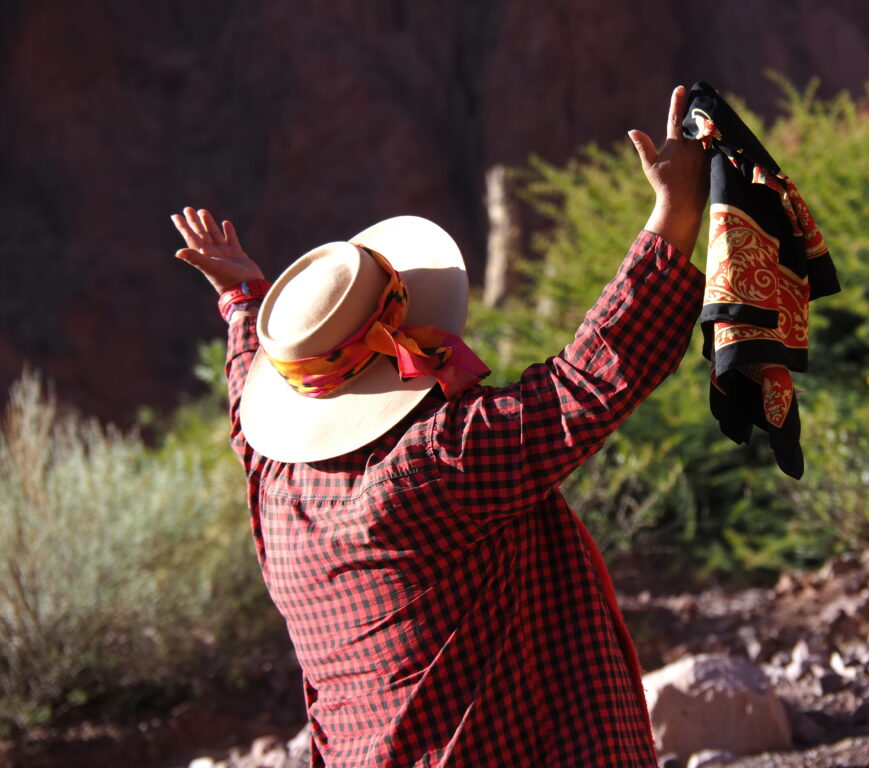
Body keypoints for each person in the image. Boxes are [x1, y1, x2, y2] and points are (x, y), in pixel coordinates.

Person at [172, 85, 709, 768]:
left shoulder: (276, 491)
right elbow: (586, 382)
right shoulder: (433, 467)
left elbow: (245, 413)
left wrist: (243, 303)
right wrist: (676, 213)